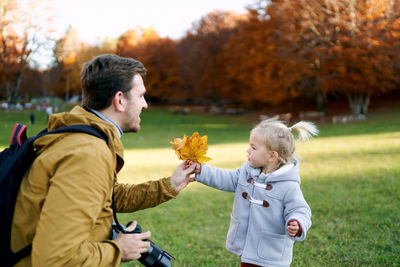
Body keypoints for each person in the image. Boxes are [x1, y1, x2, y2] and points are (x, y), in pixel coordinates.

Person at [11, 54, 196, 266]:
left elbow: (108, 196)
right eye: (141, 96)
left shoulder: (81, 137)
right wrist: (119, 250)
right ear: (120, 100)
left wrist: (169, 185)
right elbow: (54, 258)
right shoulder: (87, 154)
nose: (145, 104)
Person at [192, 118, 317, 267]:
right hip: (248, 249)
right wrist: (202, 170)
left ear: (272, 156)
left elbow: (300, 209)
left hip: (272, 254)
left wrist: (296, 223)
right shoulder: (247, 172)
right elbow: (227, 178)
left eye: (253, 148)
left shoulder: (288, 185)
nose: (248, 150)